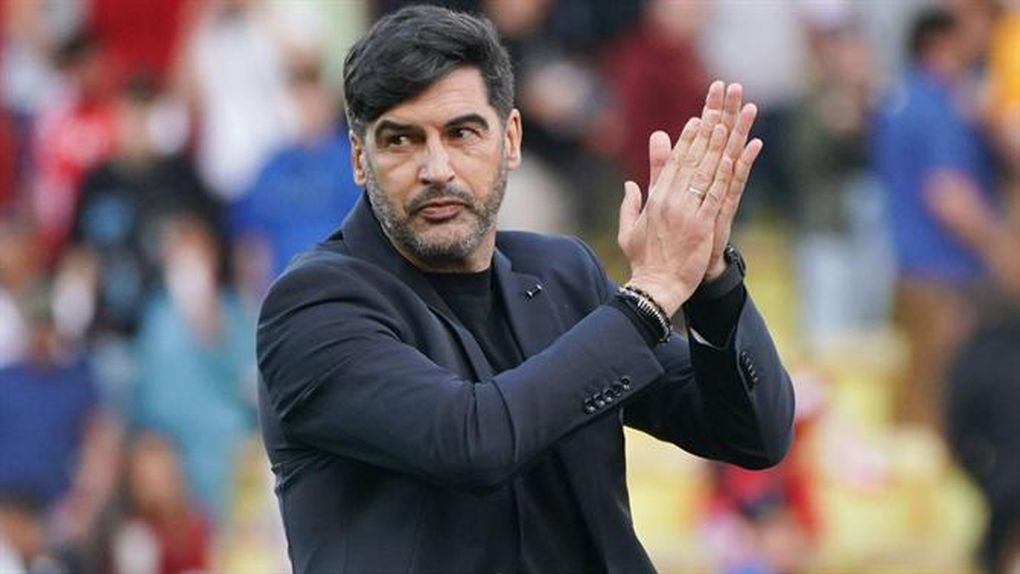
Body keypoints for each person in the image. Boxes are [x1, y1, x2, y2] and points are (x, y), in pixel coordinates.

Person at [256, 6, 794, 572]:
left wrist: (710, 277)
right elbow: (472, 441)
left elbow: (754, 434)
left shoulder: (562, 274)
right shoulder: (311, 306)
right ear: (359, 159)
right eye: (401, 140)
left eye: (462, 133)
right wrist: (651, 295)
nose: (436, 168)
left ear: (510, 139)